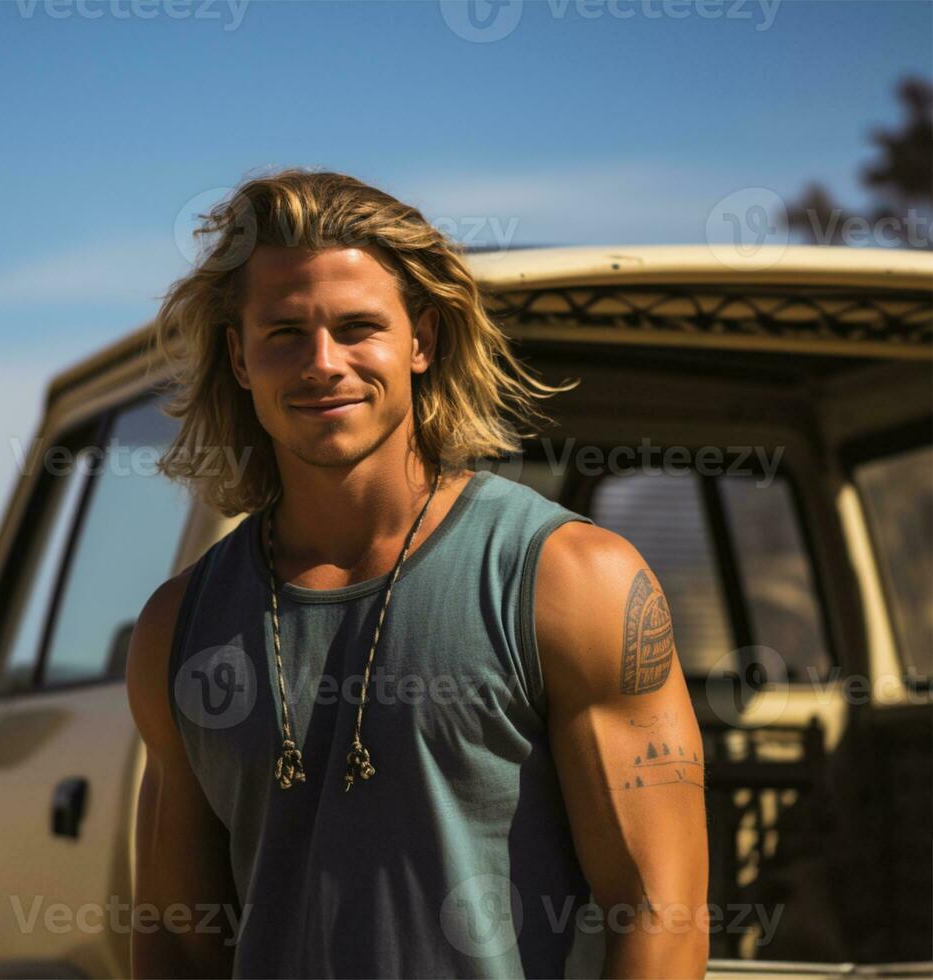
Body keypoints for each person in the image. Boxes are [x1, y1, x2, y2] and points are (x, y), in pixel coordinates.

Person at [125, 169, 710, 978]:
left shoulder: (571, 579)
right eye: (285, 332)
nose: (322, 363)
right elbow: (175, 936)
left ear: (421, 340)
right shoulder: (177, 625)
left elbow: (660, 914)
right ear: (238, 355)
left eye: (358, 327)